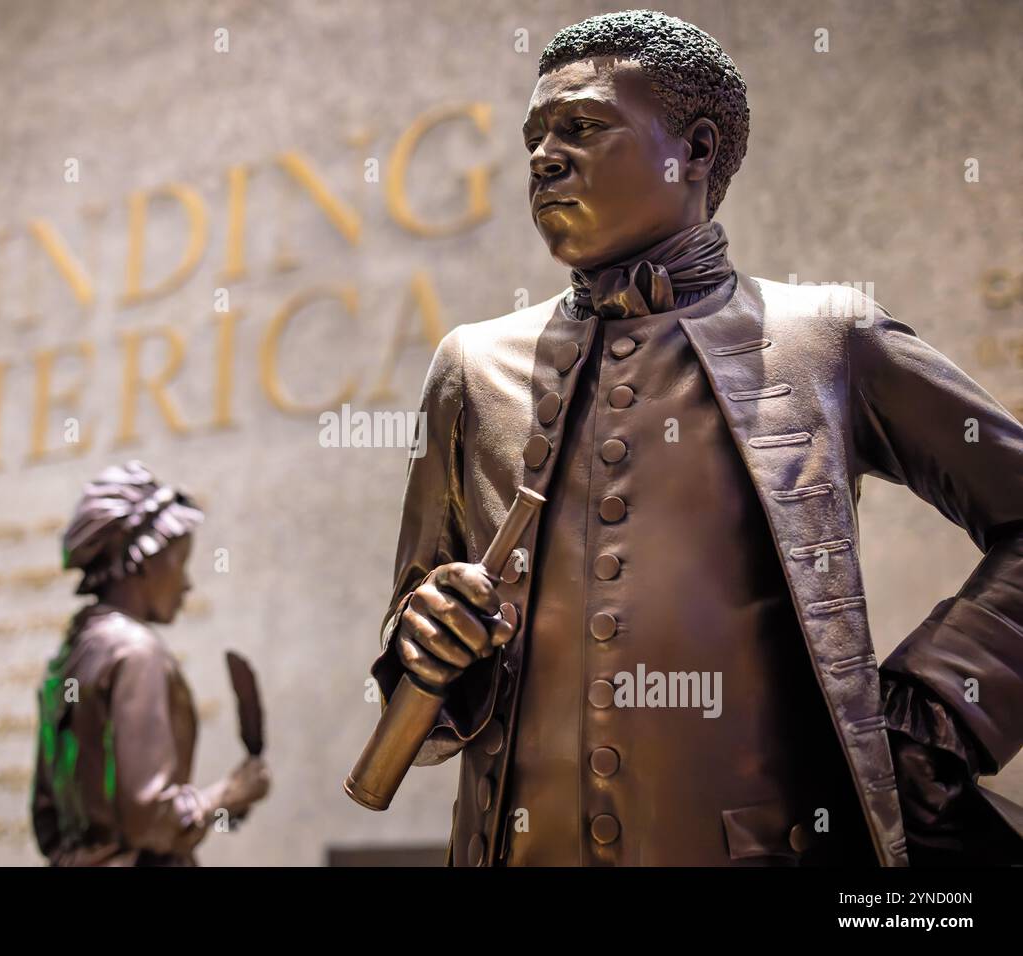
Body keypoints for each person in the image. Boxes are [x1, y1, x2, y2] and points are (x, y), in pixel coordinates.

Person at [368, 10, 1023, 866]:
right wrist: (424, 636)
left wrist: (932, 717)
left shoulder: (827, 337)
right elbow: (415, 629)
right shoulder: (470, 366)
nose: (543, 156)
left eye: (583, 125)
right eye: (534, 135)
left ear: (698, 151)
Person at [32, 461, 269, 865]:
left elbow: (46, 821)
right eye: (180, 562)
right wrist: (227, 795)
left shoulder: (69, 656)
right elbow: (149, 820)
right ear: (144, 560)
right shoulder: (137, 653)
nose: (187, 583)